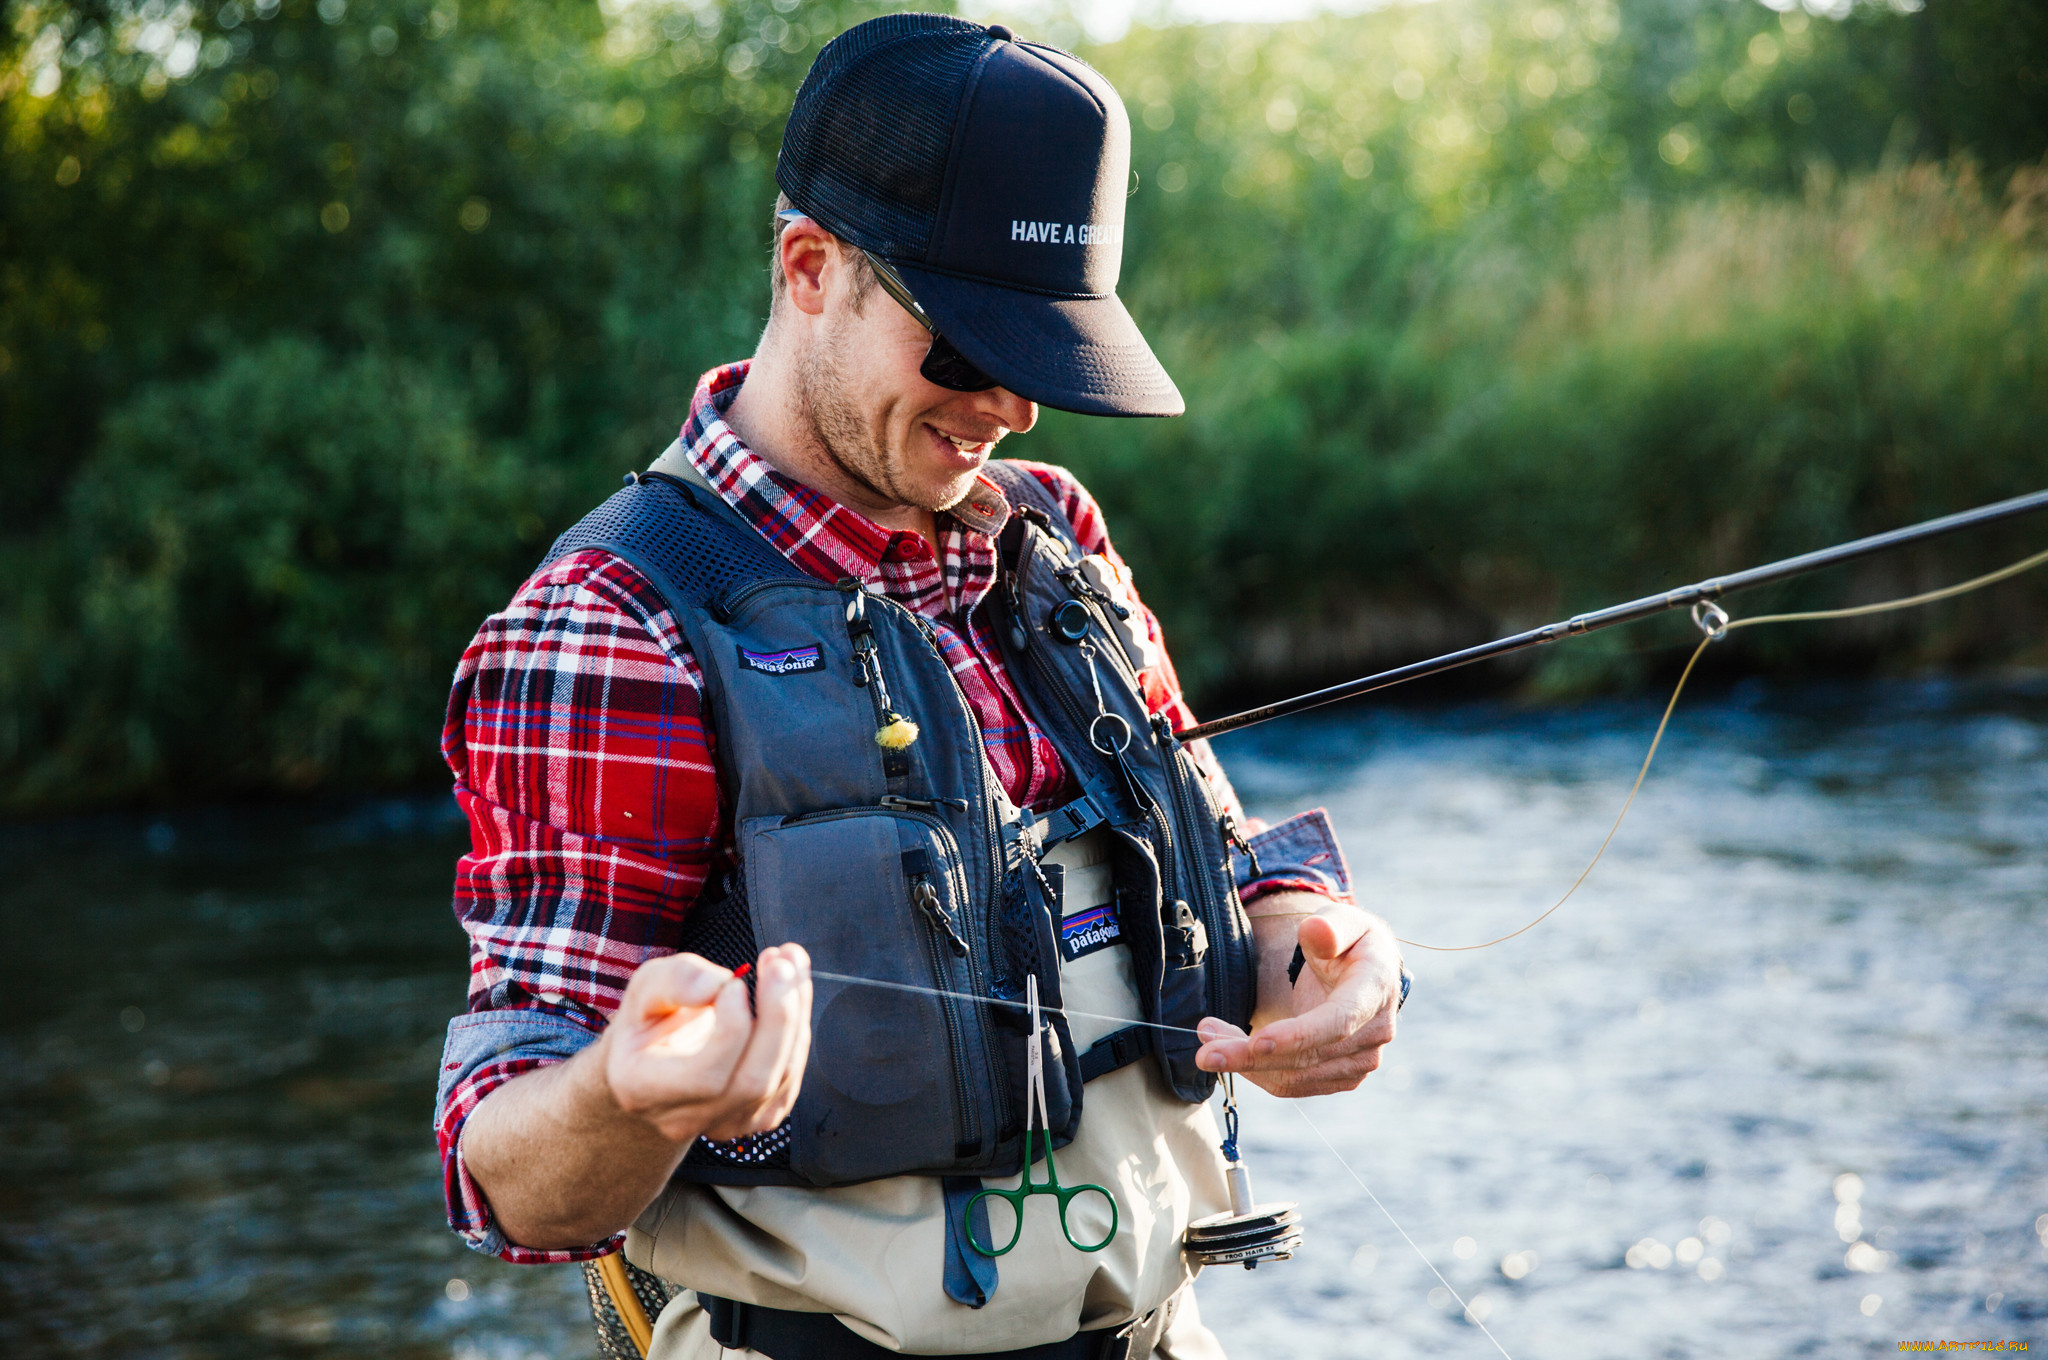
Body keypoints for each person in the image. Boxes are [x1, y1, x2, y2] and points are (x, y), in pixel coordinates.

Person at [433, 15, 1406, 1359]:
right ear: (810, 269)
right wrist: (633, 1094)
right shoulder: (611, 628)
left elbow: (1230, 865)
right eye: (966, 346)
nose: (1007, 405)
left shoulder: (1053, 528)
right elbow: (508, 1178)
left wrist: (1326, 949)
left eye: (1047, 355)